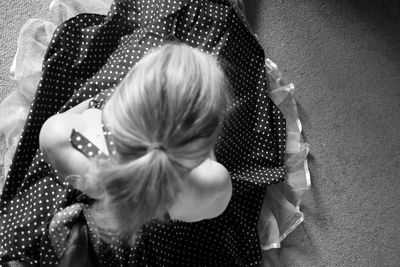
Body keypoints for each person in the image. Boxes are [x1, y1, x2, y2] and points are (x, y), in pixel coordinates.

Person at [0, 0, 310, 266]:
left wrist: (88, 111)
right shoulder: (211, 182)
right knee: (224, 33)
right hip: (159, 246)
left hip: (89, 231)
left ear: (117, 104)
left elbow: (66, 120)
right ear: (206, 141)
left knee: (146, 37)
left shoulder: (64, 135)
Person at [39, 43, 233, 238]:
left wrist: (92, 105)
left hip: (107, 211)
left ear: (122, 99)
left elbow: (49, 154)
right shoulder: (213, 182)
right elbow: (213, 210)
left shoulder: (62, 136)